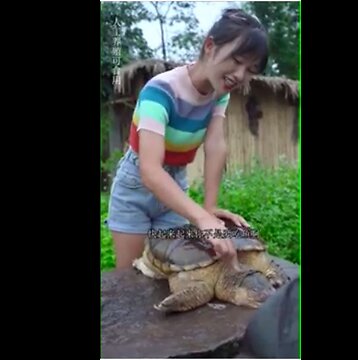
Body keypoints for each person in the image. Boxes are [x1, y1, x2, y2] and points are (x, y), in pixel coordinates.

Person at [105, 8, 269, 269]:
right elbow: (149, 170)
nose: (240, 75)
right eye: (237, 61)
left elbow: (215, 145)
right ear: (209, 46)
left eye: (250, 69)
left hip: (174, 187)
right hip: (134, 188)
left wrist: (209, 207)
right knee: (131, 275)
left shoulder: (219, 94)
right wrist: (201, 218)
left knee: (171, 270)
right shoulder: (160, 91)